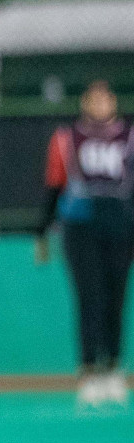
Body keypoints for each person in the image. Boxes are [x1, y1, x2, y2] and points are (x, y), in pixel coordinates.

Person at [36, 79, 134, 407]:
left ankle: (112, 367)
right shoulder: (66, 139)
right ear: (84, 103)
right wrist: (41, 232)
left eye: (106, 99)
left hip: (120, 226)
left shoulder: (129, 137)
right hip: (80, 227)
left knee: (115, 298)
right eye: (94, 99)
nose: (100, 105)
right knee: (89, 297)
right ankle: (89, 369)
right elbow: (53, 186)